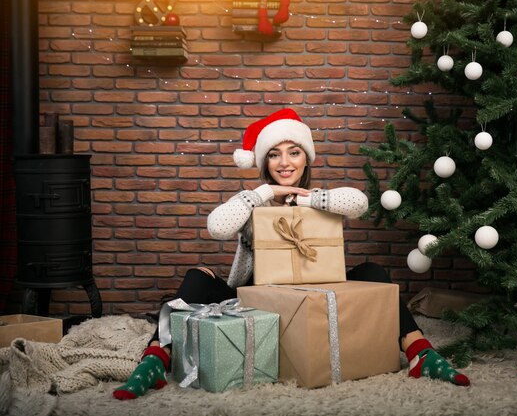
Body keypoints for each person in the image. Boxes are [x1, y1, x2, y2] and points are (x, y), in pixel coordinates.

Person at [113, 108, 470, 400]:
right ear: (264, 162)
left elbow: (360, 203)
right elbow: (217, 227)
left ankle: (420, 352)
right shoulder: (254, 201)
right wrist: (263, 193)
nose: (285, 162)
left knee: (374, 271)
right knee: (196, 276)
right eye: (274, 154)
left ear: (305, 158)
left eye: (294, 152)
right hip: (255, 298)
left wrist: (309, 197)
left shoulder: (323, 199)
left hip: (316, 294)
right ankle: (154, 360)